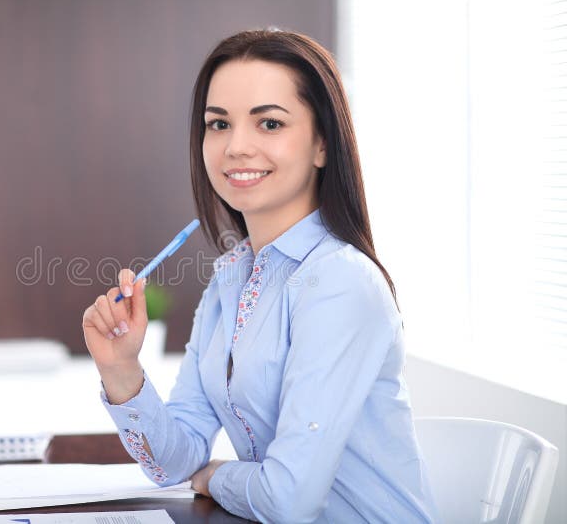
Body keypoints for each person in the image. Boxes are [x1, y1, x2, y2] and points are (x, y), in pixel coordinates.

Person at [81, 28, 440, 523]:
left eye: (269, 124)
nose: (236, 147)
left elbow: (286, 500)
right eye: (219, 124)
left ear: (321, 144)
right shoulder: (229, 279)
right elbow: (174, 461)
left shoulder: (341, 283)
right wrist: (121, 370)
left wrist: (215, 477)